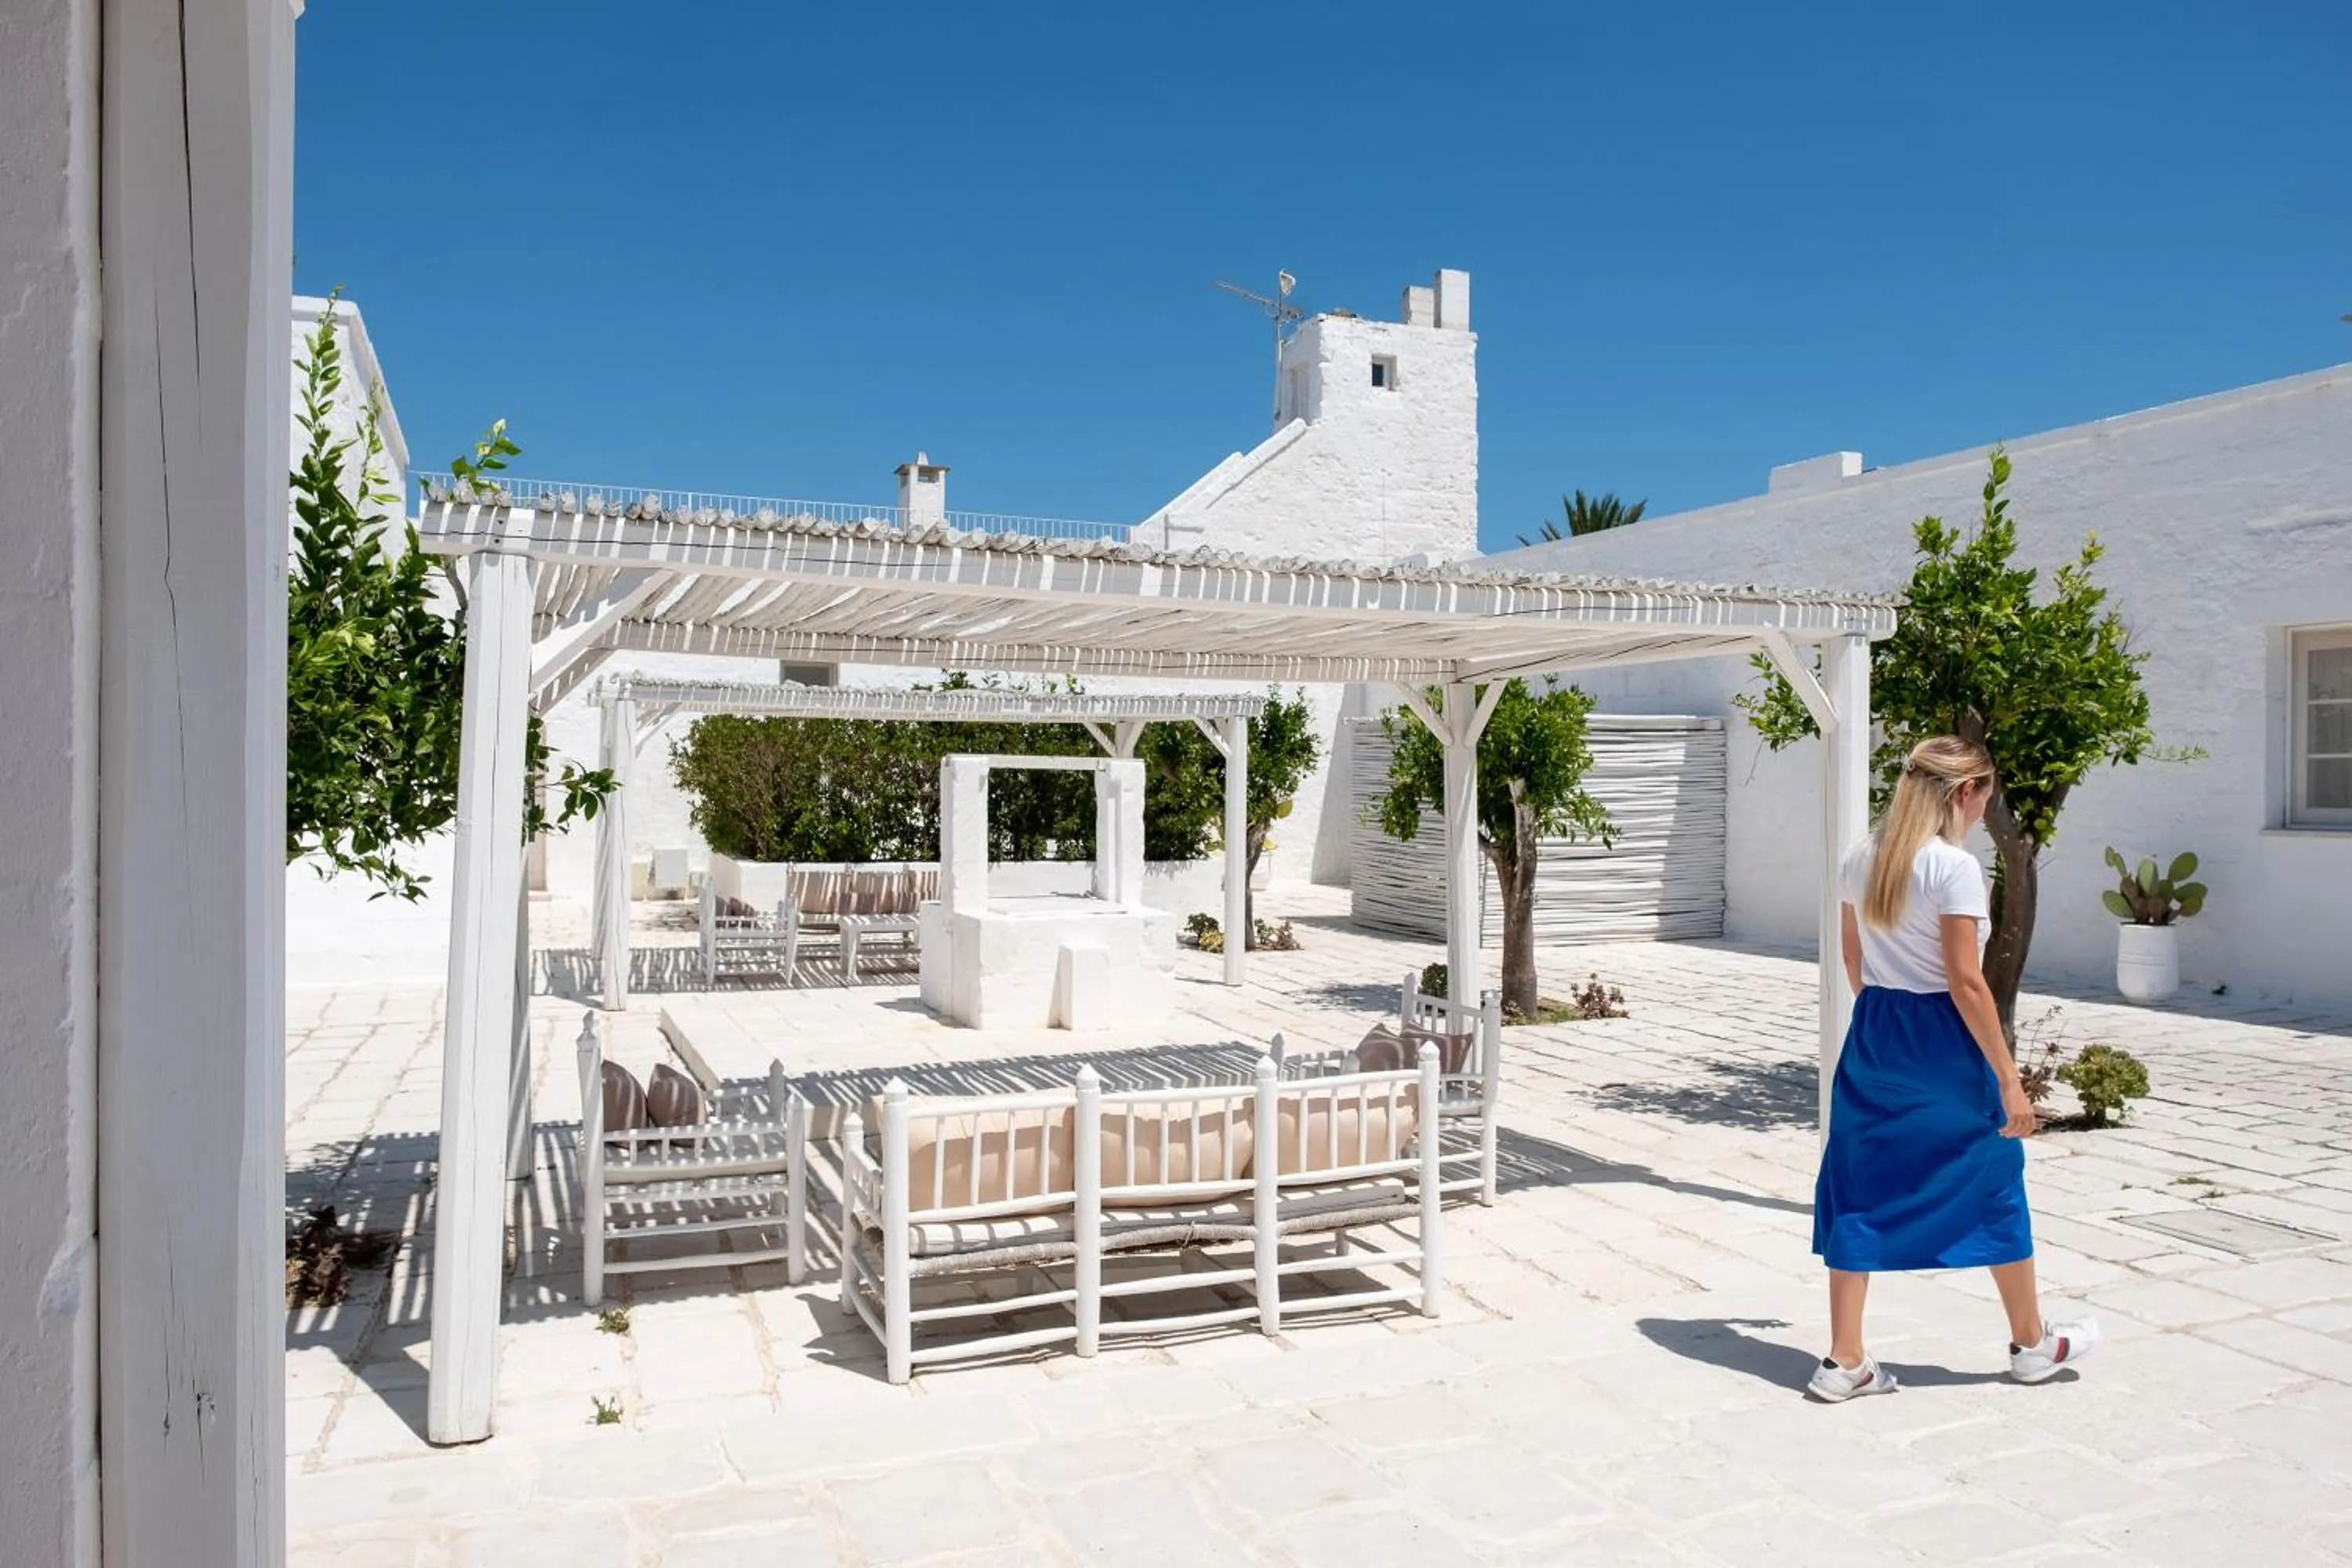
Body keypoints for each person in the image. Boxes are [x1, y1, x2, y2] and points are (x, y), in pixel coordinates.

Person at [1808, 735, 2099, 1401]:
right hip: (1943, 1034)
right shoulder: (1953, 867)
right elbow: (1967, 982)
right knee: (1994, 1176)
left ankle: (1844, 1360)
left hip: (1877, 1029)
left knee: (1860, 1182)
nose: (1981, 813)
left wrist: (1888, 1026)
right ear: (1964, 792)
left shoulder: (1861, 857)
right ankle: (2032, 1344)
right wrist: (2008, 1079)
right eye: (1984, 799)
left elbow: (1854, 964)